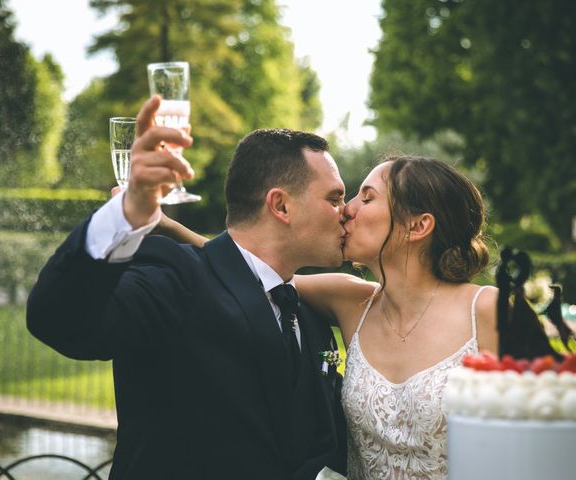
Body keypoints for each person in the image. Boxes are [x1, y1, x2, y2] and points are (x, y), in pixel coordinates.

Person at [26, 95, 348, 479]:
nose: (346, 211)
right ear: (281, 206)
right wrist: (125, 215)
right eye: (335, 198)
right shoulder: (179, 276)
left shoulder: (308, 319)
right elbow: (60, 319)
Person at [161, 155, 498, 479]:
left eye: (366, 199)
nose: (346, 209)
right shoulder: (350, 301)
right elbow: (245, 265)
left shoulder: (486, 311)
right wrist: (164, 224)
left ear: (418, 225)